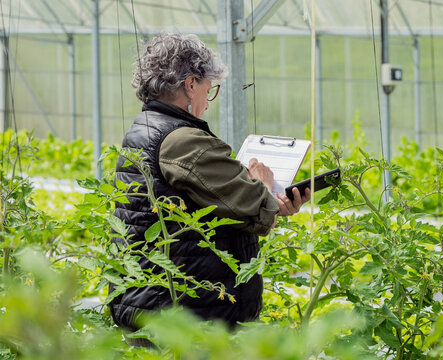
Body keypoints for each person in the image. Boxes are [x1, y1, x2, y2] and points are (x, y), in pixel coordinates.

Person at [108, 33, 310, 332]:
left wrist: (267, 205)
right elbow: (255, 203)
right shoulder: (183, 140)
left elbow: (213, 214)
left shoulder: (145, 129)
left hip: (155, 304)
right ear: (190, 85)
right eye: (209, 89)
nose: (208, 99)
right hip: (184, 316)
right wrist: (264, 186)